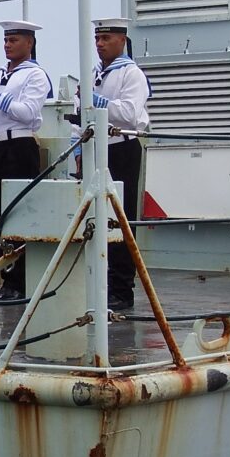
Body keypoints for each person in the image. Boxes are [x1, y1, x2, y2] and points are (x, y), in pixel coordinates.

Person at [0, 20, 52, 301]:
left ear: (29, 43)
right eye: (6, 40)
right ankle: (7, 279)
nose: (8, 44)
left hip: (19, 145)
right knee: (0, 217)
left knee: (19, 214)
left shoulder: (36, 75)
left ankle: (20, 282)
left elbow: (29, 113)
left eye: (14, 40)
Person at [83, 17, 151, 310]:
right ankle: (101, 282)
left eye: (106, 38)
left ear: (122, 40)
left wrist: (95, 100)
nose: (100, 44)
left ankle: (122, 289)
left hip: (121, 148)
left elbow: (130, 114)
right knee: (97, 219)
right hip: (95, 149)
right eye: (98, 39)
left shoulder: (131, 74)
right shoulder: (96, 72)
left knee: (121, 220)